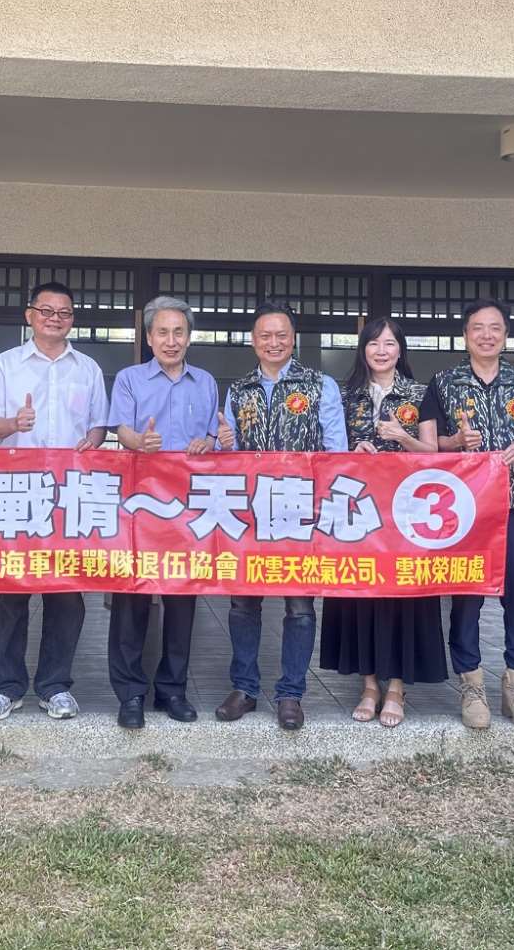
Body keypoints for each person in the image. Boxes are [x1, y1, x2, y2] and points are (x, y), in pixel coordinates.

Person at [0, 281, 109, 720]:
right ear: (30, 315)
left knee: (66, 593)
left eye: (63, 312)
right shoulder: (5, 365)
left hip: (69, 494)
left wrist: (93, 439)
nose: (55, 319)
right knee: (13, 592)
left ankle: (55, 686)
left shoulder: (87, 368)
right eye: (46, 311)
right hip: (17, 492)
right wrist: (14, 423)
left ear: (72, 319)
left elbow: (99, 425)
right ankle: (6, 686)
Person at [214, 301, 347, 731]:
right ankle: (244, 688)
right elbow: (227, 457)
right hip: (250, 514)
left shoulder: (320, 385)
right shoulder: (239, 390)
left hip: (300, 512)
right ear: (253, 341)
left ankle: (291, 693)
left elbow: (337, 452)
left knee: (300, 607)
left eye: (281, 335)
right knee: (242, 604)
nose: (273, 343)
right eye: (265, 336)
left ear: (293, 339)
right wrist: (224, 445)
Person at [422, 299, 514, 730]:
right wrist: (455, 442)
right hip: (466, 511)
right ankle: (471, 686)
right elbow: (430, 446)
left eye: (495, 328)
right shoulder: (443, 382)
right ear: (465, 335)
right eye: (478, 327)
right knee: (465, 599)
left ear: (506, 335)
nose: (486, 335)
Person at [319, 316, 447, 728]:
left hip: (406, 515)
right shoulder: (344, 394)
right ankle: (369, 685)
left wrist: (402, 438)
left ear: (400, 350)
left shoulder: (421, 393)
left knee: (402, 596)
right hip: (356, 513)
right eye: (373, 343)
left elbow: (432, 452)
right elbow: (328, 450)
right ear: (363, 349)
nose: (381, 350)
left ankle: (396, 687)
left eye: (389, 343)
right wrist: (352, 453)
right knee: (362, 595)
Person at [106, 295, 218, 729]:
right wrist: (139, 442)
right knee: (131, 597)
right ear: (149, 338)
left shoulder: (206, 382)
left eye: (179, 332)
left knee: (182, 599)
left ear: (189, 338)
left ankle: (173, 690)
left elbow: (213, 436)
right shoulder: (130, 379)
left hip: (189, 509)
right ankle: (130, 693)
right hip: (139, 506)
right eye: (162, 333)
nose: (171, 341)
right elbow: (122, 430)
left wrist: (210, 443)